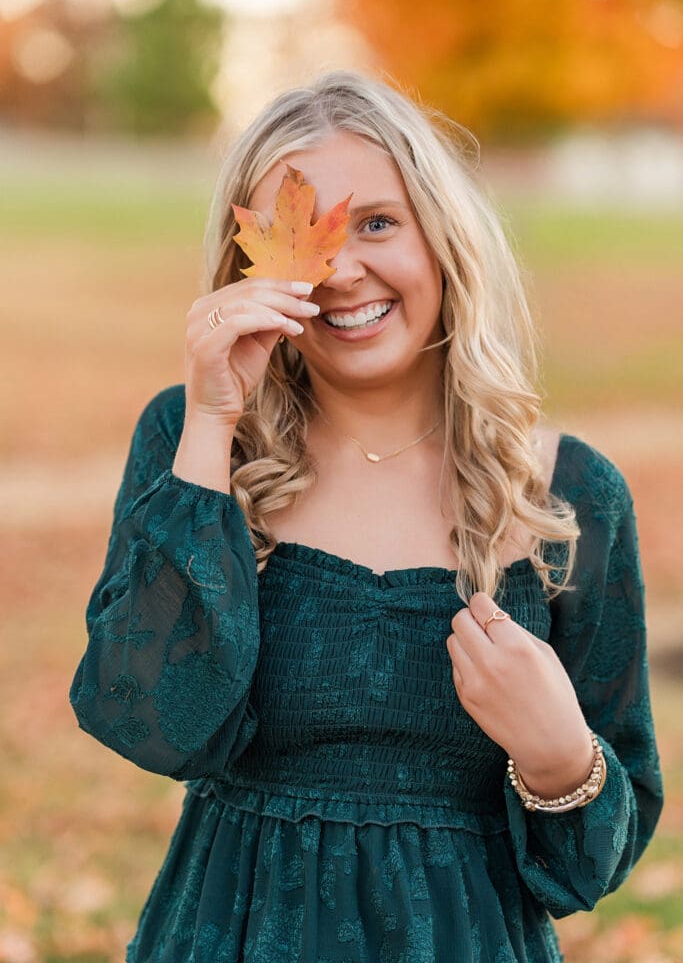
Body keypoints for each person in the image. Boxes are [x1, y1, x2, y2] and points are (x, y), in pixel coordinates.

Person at [69, 70, 663, 963]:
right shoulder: (195, 442)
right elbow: (151, 721)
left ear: (441, 235)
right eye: (300, 242)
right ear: (246, 269)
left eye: (377, 223)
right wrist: (210, 420)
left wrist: (556, 756)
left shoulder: (566, 496)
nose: (342, 270)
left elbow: (589, 865)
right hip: (227, 936)